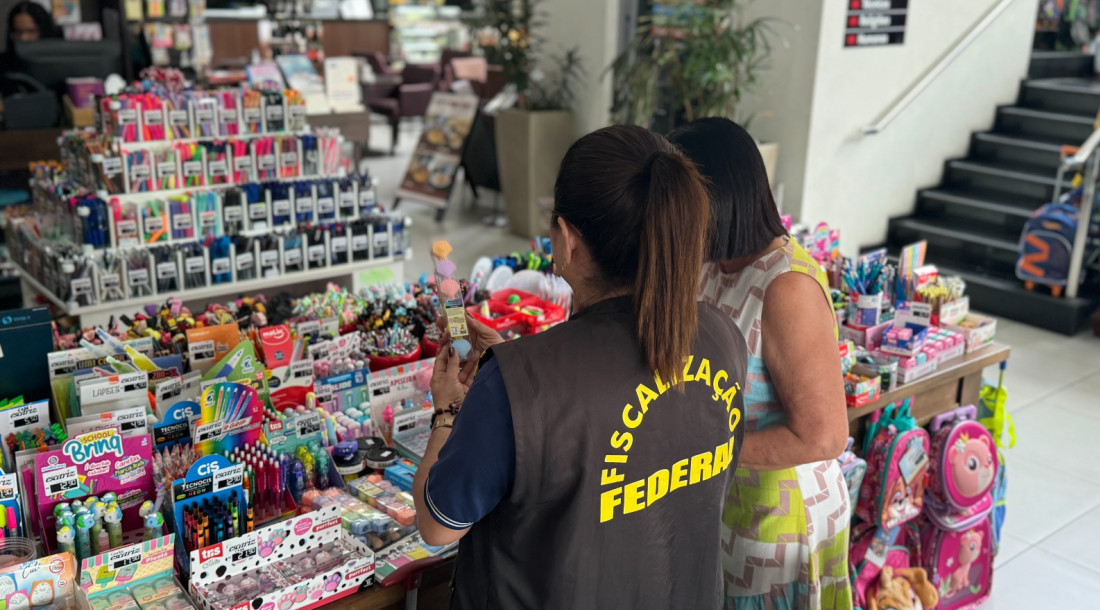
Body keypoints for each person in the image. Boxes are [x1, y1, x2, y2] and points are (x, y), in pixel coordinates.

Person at [412, 124, 751, 609]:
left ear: (567, 239)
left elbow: (437, 525)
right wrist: (514, 369)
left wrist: (447, 411)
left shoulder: (518, 386)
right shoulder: (722, 335)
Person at [670, 117, 852, 610]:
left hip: (780, 523)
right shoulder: (711, 264)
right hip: (724, 504)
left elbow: (824, 436)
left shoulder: (788, 287)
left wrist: (701, 454)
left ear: (718, 199)